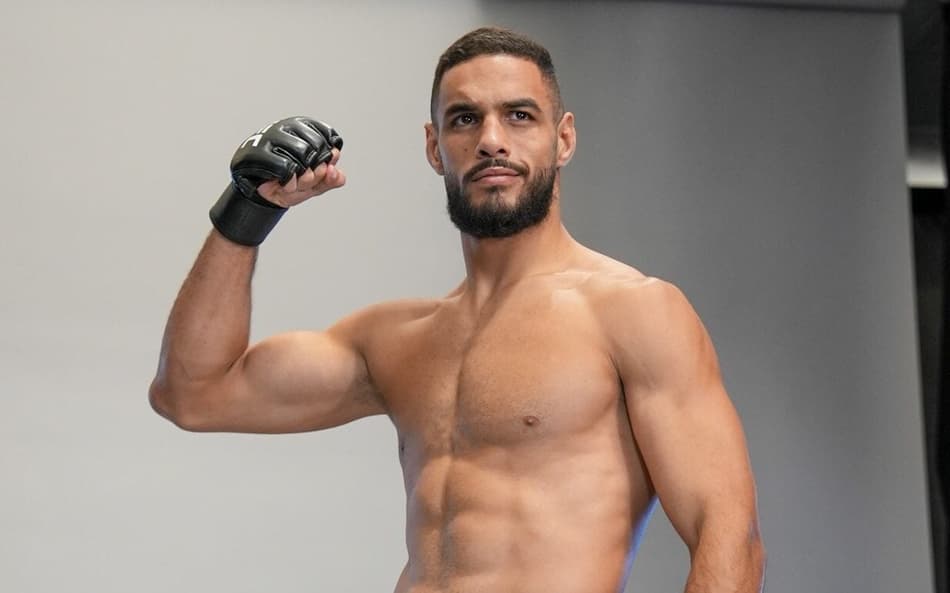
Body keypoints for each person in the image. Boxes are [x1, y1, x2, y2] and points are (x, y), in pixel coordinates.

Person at [150, 26, 766, 593]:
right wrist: (247, 210)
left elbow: (729, 537)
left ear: (564, 137)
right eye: (465, 119)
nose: (491, 140)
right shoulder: (397, 339)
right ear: (435, 147)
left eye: (519, 116)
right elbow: (194, 394)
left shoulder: (632, 312)